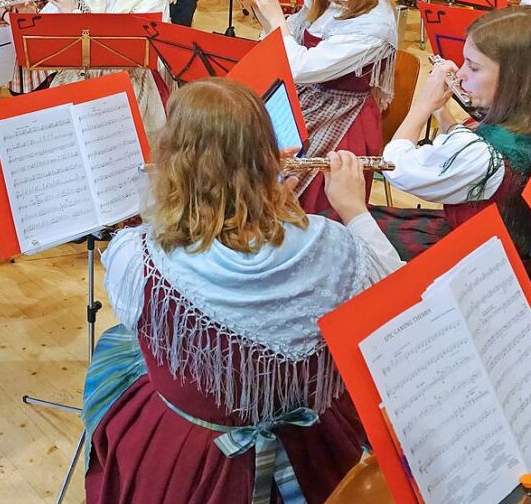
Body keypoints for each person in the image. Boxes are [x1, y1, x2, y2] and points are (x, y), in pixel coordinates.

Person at [84, 79, 401, 504]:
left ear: (174, 163)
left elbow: (144, 325)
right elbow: (392, 294)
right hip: (311, 447)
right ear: (269, 155)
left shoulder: (139, 256)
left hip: (190, 454)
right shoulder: (335, 245)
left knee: (118, 347)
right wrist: (353, 209)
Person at [232, 0, 398, 212]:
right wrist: (257, 6)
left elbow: (298, 65)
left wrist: (275, 16)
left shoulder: (374, 24)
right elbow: (289, 39)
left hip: (345, 116)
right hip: (310, 98)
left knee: (290, 181)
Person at [373, 8, 531, 263]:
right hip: (496, 238)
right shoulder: (519, 120)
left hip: (481, 258)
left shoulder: (481, 155)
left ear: (515, 79)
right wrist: (440, 110)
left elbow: (396, 167)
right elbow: (467, 144)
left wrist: (422, 105)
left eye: (474, 67)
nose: (460, 75)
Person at [10, 0, 170, 132]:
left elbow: (122, 55)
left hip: (126, 82)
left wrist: (71, 14)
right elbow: (47, 36)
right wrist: (30, 15)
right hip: (78, 75)